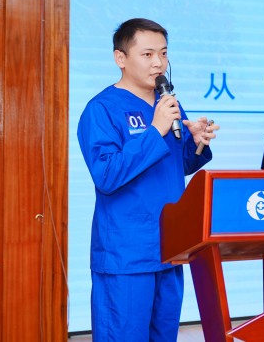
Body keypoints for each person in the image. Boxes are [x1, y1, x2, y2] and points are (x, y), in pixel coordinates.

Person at [77, 18, 219, 341]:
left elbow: (175, 165)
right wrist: (155, 130)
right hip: (126, 255)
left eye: (164, 54)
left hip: (169, 250)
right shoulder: (101, 110)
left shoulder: (168, 104)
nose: (159, 63)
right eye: (148, 54)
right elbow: (107, 175)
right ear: (121, 58)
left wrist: (197, 143)